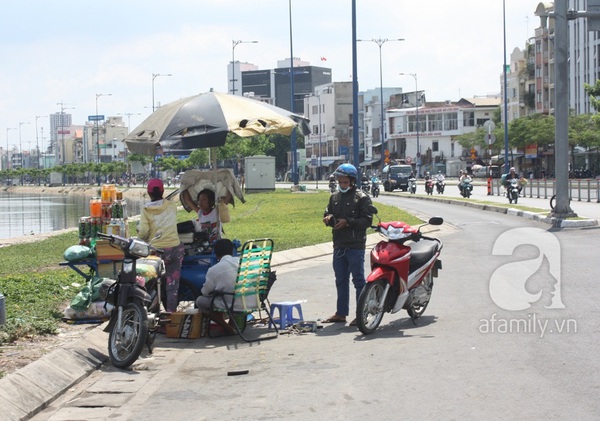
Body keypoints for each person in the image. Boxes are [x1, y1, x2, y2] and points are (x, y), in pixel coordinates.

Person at [322, 163, 374, 327]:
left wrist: (348, 222)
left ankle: (361, 314)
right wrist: (328, 219)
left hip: (355, 246)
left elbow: (367, 221)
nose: (342, 185)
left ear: (352, 181)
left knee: (359, 281)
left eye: (345, 182)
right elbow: (327, 213)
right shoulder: (334, 197)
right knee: (340, 280)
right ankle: (341, 313)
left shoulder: (362, 198)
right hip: (339, 245)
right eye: (340, 181)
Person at [137, 178, 185, 313]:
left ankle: (153, 313)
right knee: (172, 285)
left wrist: (141, 236)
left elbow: (143, 233)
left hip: (156, 253)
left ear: (148, 192)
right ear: (163, 191)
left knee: (152, 283)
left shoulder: (146, 209)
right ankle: (171, 314)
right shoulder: (171, 206)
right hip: (175, 250)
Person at [195, 239, 239, 334]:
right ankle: (232, 324)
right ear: (232, 251)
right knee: (232, 296)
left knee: (200, 301)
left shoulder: (214, 269)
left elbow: (205, 292)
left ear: (216, 253)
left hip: (232, 304)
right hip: (252, 301)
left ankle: (227, 327)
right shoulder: (244, 263)